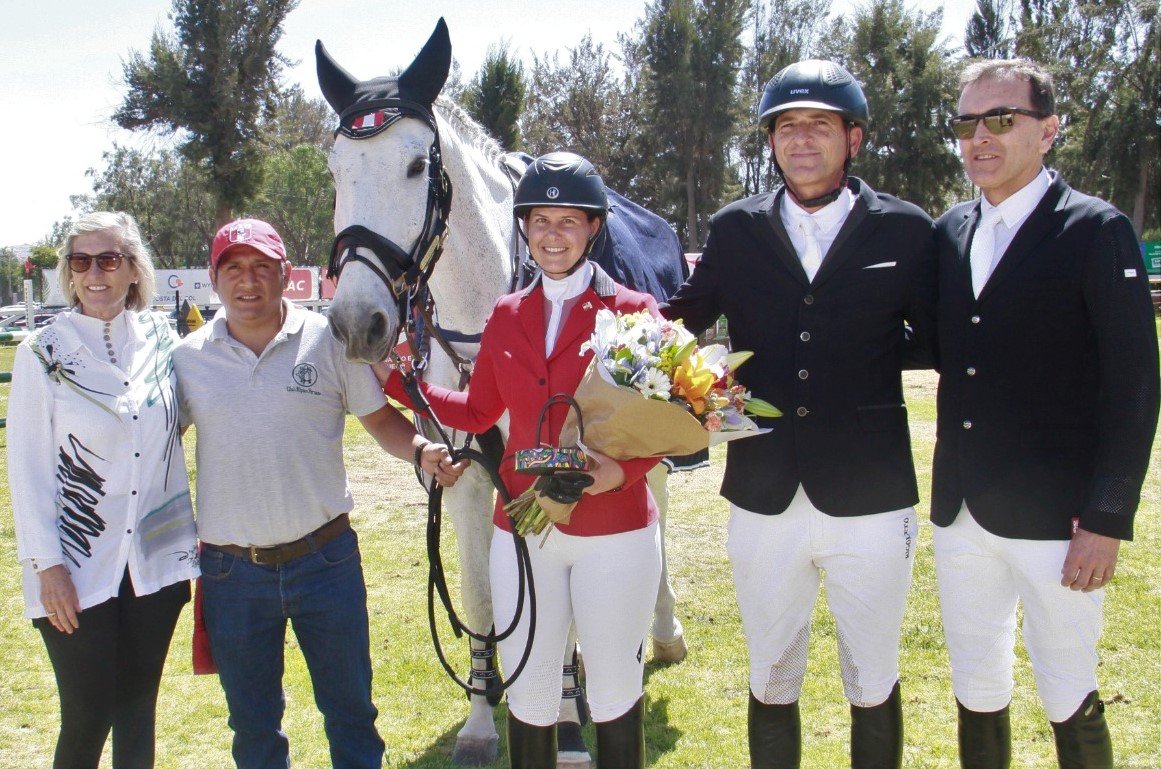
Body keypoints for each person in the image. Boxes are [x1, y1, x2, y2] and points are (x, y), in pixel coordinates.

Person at [660, 60, 937, 768]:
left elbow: (936, 336)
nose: (801, 139)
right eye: (786, 125)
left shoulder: (905, 229)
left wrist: (863, 360)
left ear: (853, 137)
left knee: (871, 673)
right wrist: (607, 325)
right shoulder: (734, 227)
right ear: (770, 140)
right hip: (762, 490)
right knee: (771, 670)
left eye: (819, 124)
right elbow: (679, 321)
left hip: (871, 492)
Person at [382, 152, 663, 768]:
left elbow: (665, 426)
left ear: (593, 228)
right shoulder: (506, 316)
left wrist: (622, 472)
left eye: (569, 221)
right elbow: (479, 413)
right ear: (525, 229)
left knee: (615, 688)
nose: (553, 234)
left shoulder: (634, 313)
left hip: (612, 529)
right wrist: (404, 384)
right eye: (540, 221)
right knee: (530, 691)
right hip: (522, 528)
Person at [172, 218, 464, 769]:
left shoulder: (328, 339)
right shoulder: (187, 360)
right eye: (234, 269)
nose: (249, 282)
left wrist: (421, 450)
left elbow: (379, 420)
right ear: (214, 280)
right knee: (253, 725)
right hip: (233, 573)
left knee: (351, 712)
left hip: (325, 560)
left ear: (288, 275)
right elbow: (156, 447)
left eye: (263, 268)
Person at [932, 59, 1159, 769]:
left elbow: (1133, 387)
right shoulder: (949, 231)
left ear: (1049, 130)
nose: (979, 139)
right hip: (960, 510)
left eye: (1000, 120)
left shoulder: (1095, 231)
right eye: (965, 124)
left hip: (1058, 519)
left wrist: (1105, 518)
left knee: (1065, 686)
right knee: (975, 681)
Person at [7, 211, 199, 768]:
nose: (96, 273)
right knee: (88, 714)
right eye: (82, 261)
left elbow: (186, 414)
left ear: (133, 270)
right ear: (68, 273)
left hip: (154, 564)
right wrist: (47, 566)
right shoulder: (40, 353)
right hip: (74, 564)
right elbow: (27, 470)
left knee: (139, 711)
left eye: (109, 259)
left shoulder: (164, 340)